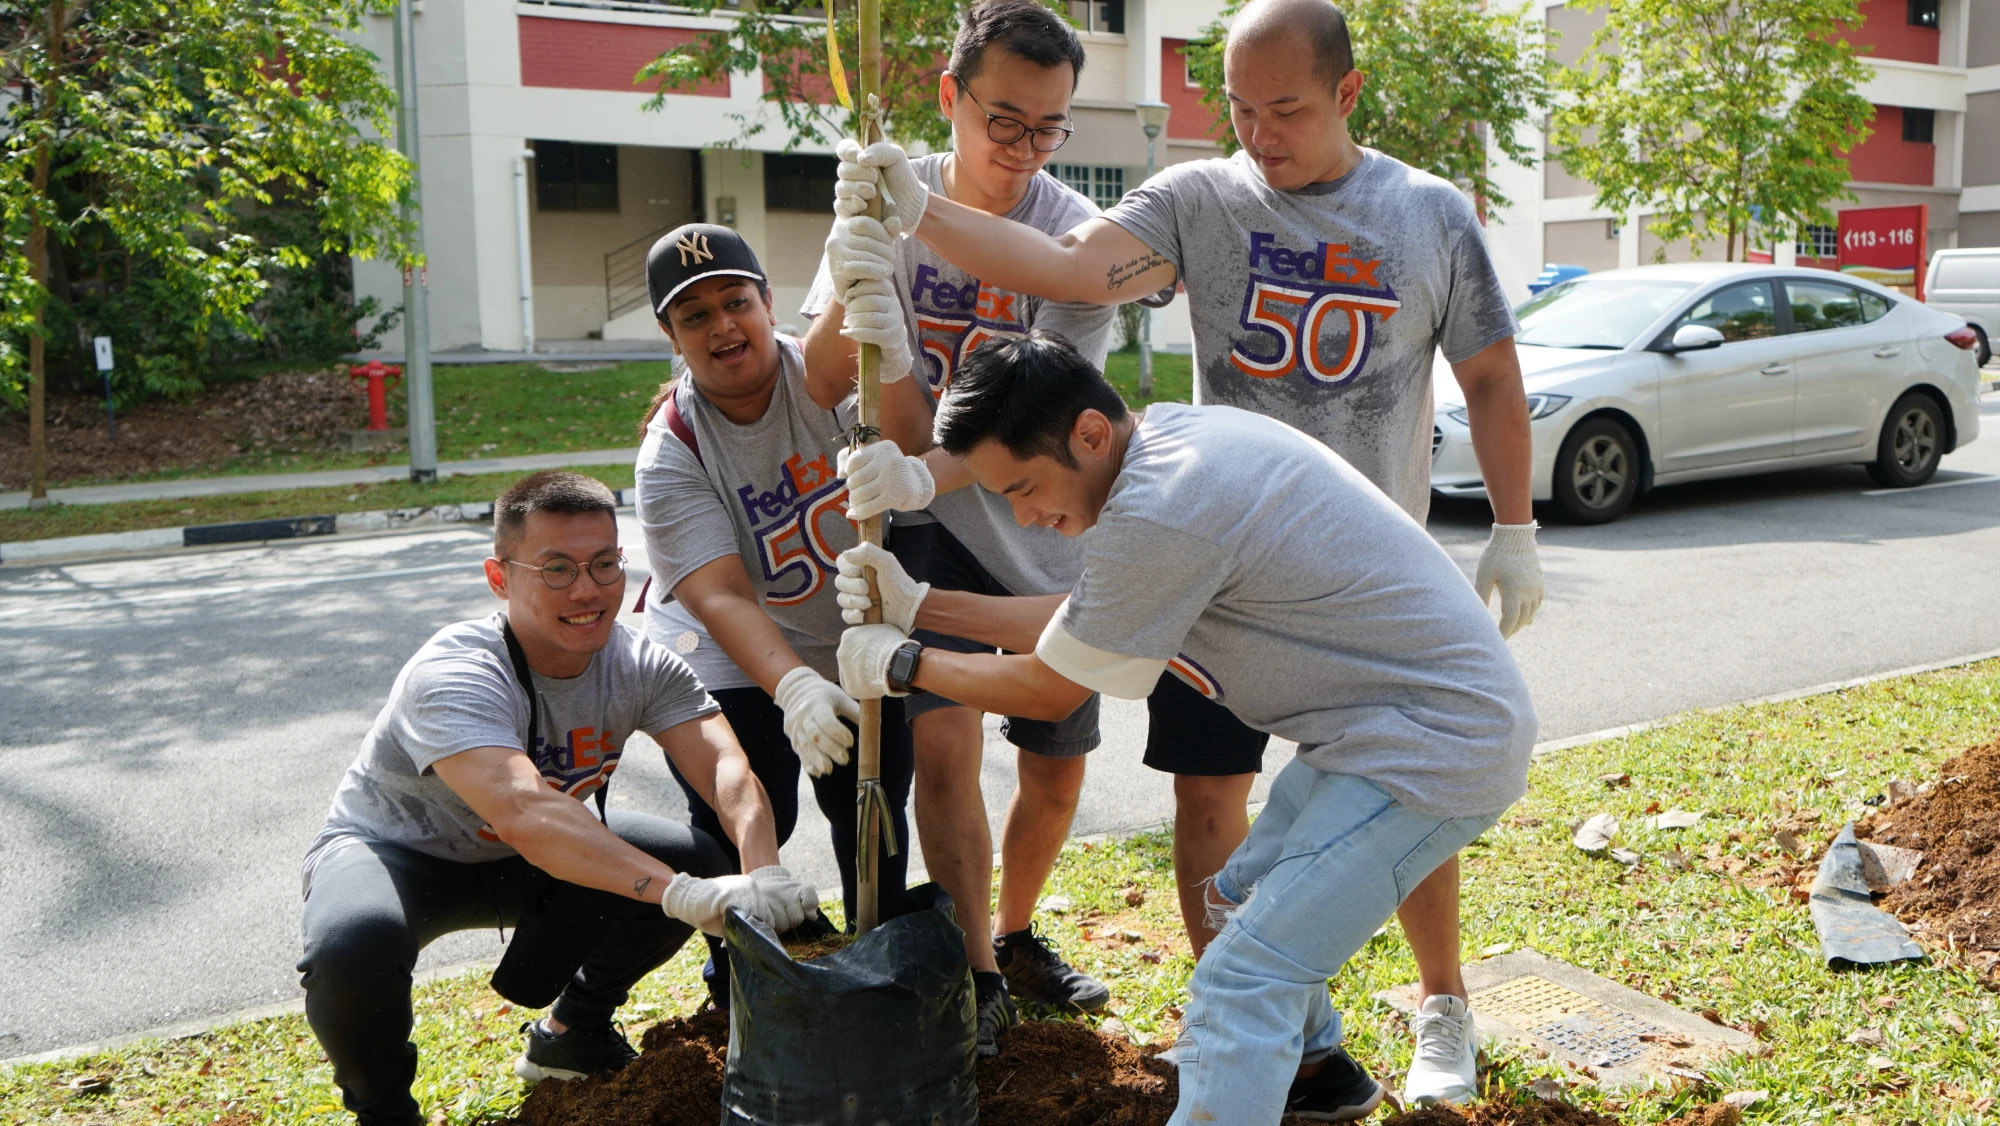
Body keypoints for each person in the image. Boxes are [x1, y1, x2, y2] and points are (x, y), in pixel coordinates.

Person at [828, 0, 1542, 1101]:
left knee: (1255, 964)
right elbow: (1067, 273)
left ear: (1347, 93)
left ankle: (1374, 1011)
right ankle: (1300, 1060)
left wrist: (1513, 526)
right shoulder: (1185, 283)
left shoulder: (1421, 217)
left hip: (1394, 686)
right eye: (1240, 109)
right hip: (1299, 641)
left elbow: (1052, 674)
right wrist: (919, 602)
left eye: (1285, 109)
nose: (1259, 133)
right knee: (1236, 881)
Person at [834, 333, 1535, 1125]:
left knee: (1243, 977)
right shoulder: (1168, 444)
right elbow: (1086, 619)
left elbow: (1051, 687)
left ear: (1088, 434)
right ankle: (1314, 1074)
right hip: (1371, 734)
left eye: (1023, 488)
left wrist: (905, 664)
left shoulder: (1164, 507)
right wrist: (920, 605)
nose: (1024, 518)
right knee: (1235, 898)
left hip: (1436, 743)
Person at [299, 471, 811, 1126]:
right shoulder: (456, 671)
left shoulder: (639, 663)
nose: (587, 590)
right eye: (558, 569)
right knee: (351, 943)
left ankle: (572, 1036)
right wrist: (680, 895)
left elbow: (725, 768)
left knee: (699, 857)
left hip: (528, 859)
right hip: (397, 854)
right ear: (500, 577)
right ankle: (385, 1112)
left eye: (604, 564)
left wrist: (762, 871)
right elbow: (525, 811)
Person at [800, 0, 1114, 1037]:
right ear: (950, 95)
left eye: (1048, 128)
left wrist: (919, 476)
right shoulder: (879, 198)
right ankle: (978, 971)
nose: (1022, 151)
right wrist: (854, 286)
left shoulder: (1075, 240)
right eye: (1003, 122)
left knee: (1055, 766)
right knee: (943, 752)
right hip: (923, 532)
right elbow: (821, 377)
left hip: (1039, 524)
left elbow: (1038, 440)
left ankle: (1018, 931)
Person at [630, 222, 916, 1014]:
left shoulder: (834, 377)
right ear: (671, 336)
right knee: (752, 812)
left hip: (851, 632)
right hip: (728, 645)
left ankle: (881, 964)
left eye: (736, 302)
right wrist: (792, 688)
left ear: (767, 303)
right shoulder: (673, 449)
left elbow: (915, 442)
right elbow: (720, 594)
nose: (722, 326)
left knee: (871, 800)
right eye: (694, 316)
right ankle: (738, 987)